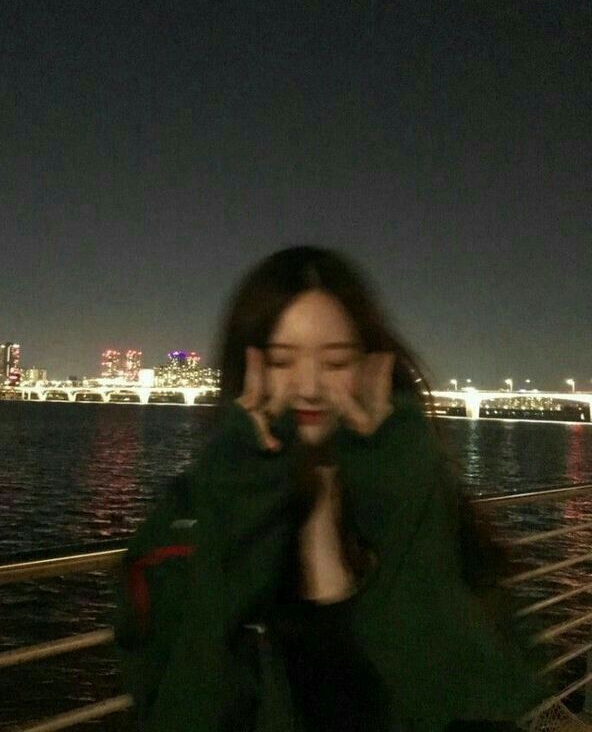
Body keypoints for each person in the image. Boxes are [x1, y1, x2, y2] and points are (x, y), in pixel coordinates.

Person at [115, 246, 544, 731]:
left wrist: (404, 497)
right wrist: (238, 501)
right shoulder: (185, 525)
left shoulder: (424, 503)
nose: (310, 386)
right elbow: (180, 707)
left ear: (372, 367)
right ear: (245, 369)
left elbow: (481, 699)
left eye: (336, 362)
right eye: (281, 361)